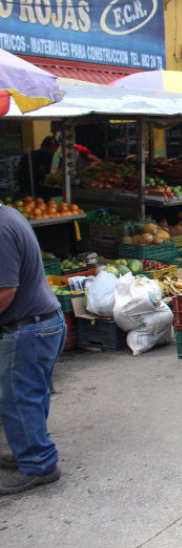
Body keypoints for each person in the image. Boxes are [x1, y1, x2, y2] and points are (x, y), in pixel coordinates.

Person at [0, 202, 66, 495]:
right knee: (30, 395)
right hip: (42, 323)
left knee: (18, 398)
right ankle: (28, 449)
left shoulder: (0, 227)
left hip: (28, 327)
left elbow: (5, 290)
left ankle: (40, 464)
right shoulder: (9, 214)